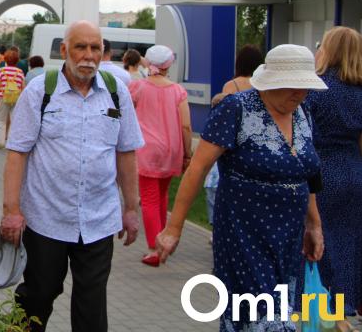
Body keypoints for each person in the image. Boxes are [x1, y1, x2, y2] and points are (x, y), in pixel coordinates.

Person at [156, 44, 326, 331]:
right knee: (262, 318)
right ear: (272, 81)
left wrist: (314, 225)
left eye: (305, 86)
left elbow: (306, 173)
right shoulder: (236, 108)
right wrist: (174, 228)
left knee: (274, 313)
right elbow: (197, 168)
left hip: (288, 237)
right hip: (245, 232)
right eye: (293, 86)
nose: (301, 93)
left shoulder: (302, 112)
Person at [0, 20, 143, 332]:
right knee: (38, 297)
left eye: (96, 48)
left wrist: (131, 208)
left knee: (91, 308)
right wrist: (11, 211)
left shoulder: (117, 94)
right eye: (80, 47)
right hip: (46, 218)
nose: (88, 55)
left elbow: (127, 152)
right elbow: (17, 153)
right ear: (64, 50)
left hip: (99, 219)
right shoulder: (41, 91)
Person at [304, 27, 362, 323]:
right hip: (354, 173)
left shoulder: (315, 89)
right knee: (349, 243)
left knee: (320, 241)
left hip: (321, 173)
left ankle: (328, 311)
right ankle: (345, 307)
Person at [128, 45, 192, 266]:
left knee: (149, 199)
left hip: (147, 149)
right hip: (172, 149)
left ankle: (155, 249)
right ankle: (164, 240)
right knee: (163, 195)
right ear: (168, 65)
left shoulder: (138, 87)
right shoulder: (178, 91)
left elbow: (124, 112)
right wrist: (187, 154)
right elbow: (185, 126)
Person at [205, 44, 264, 230]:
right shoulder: (263, 85)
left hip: (234, 138)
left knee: (217, 184)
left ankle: (219, 226)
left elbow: (226, 113)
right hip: (257, 138)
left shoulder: (232, 85)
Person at [0, 48, 26, 149]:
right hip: (16, 99)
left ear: (6, 59)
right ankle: (13, 142)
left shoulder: (1, 70)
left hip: (3, 97)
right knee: (14, 120)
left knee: (1, 120)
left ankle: (0, 141)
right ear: (17, 60)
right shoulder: (20, 72)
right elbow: (23, 87)